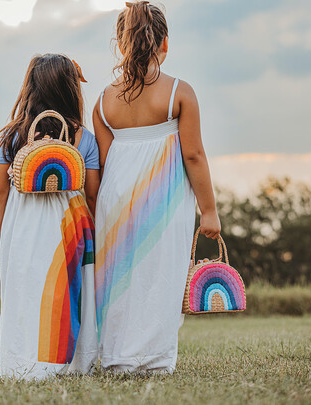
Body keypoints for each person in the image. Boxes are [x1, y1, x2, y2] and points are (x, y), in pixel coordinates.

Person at [93, 1, 221, 373]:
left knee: (118, 275)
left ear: (120, 44)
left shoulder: (103, 100)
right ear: (164, 43)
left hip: (114, 200)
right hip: (164, 201)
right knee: (161, 273)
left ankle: (116, 356)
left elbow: (101, 166)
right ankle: (153, 358)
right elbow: (194, 155)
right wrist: (209, 209)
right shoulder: (180, 91)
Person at [0, 54, 100, 380]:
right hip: (71, 225)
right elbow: (91, 193)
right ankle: (72, 362)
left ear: (30, 88)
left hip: (22, 227)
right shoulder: (83, 138)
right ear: (70, 91)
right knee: (69, 291)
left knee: (25, 290)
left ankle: (22, 361)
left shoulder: (13, 136)